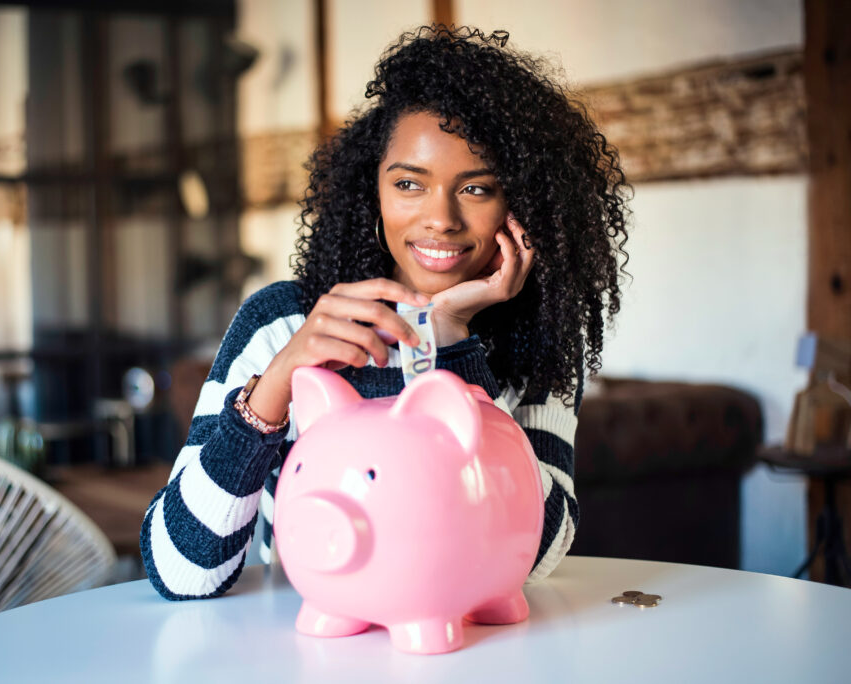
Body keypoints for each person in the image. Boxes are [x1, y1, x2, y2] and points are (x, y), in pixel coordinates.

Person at [141, 25, 630, 600]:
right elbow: (182, 572)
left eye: (476, 190)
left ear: (520, 204)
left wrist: (448, 341)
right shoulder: (284, 321)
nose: (440, 219)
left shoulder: (541, 337)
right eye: (409, 184)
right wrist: (276, 386)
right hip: (307, 645)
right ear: (372, 190)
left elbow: (535, 556)